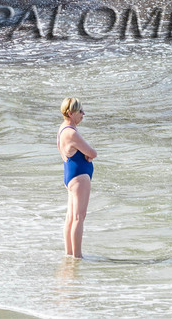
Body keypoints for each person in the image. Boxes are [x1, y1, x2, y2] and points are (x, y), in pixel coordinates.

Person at [57, 97, 96, 257]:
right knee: (79, 217)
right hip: (79, 177)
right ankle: (77, 257)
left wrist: (85, 155)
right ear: (70, 113)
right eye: (80, 111)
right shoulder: (71, 133)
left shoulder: (62, 129)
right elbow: (93, 153)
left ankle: (69, 254)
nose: (83, 113)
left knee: (71, 217)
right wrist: (88, 156)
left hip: (71, 175)